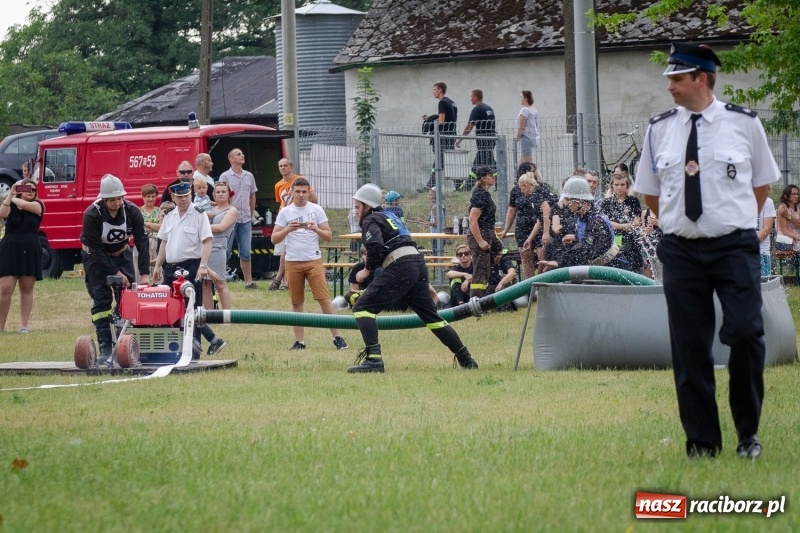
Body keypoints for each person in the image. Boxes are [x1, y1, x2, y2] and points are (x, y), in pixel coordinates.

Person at [634, 42, 780, 459]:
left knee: (748, 333)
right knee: (689, 346)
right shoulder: (660, 128)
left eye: (676, 79)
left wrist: (728, 223)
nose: (670, 87)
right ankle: (702, 442)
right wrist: (682, 224)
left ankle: (747, 433)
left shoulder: (744, 123)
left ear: (701, 78)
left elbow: (762, 186)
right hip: (681, 250)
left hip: (734, 247)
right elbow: (652, 193)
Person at [347, 183, 477, 373]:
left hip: (400, 266)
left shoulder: (371, 219)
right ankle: (467, 359)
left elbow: (374, 245)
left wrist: (366, 270)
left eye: (357, 207)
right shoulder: (390, 216)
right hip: (416, 263)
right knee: (433, 318)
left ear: (367, 206)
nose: (356, 212)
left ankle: (374, 360)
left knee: (362, 307)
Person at [80, 175, 150, 364]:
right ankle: (105, 345)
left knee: (127, 298)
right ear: (103, 199)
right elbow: (96, 250)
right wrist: (116, 273)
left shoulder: (132, 211)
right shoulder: (91, 215)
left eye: (120, 198)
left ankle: (126, 343)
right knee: (101, 300)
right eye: (112, 199)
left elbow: (142, 242)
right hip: (95, 258)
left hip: (121, 253)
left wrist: (144, 273)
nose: (117, 203)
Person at [271, 177, 347, 351]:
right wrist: (288, 229)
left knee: (324, 299)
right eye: (297, 192)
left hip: (313, 260)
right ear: (291, 192)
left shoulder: (317, 209)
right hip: (292, 261)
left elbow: (328, 235)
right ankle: (300, 341)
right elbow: (274, 238)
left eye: (304, 192)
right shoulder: (285, 212)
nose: (301, 195)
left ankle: (337, 337)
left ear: (309, 192)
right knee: (297, 302)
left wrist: (316, 228)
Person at [153, 181, 226, 358]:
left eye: (186, 196)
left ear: (190, 196)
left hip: (191, 267)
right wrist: (157, 265)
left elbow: (208, 241)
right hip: (171, 268)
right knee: (171, 307)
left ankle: (194, 352)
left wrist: (203, 266)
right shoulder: (170, 215)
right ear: (173, 198)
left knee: (192, 308)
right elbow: (164, 241)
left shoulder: (199, 215)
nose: (184, 200)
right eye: (180, 197)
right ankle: (209, 341)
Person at [537, 177, 627, 272]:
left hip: (613, 270)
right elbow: (588, 238)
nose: (567, 204)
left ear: (580, 200)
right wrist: (576, 237)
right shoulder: (582, 217)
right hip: (599, 269)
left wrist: (560, 262)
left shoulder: (596, 221)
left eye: (568, 199)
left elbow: (585, 249)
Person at [0, 179, 44, 333]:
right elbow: (2, 213)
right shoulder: (11, 203)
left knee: (26, 288)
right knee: (5, 288)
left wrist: (12, 196)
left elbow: (26, 206)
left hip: (30, 248)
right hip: (10, 248)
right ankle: (1, 327)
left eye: (33, 189)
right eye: (26, 188)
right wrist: (10, 194)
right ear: (19, 189)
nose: (30, 191)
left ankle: (24, 326)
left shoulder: (39, 205)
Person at [271, 158, 318, 291]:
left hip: (299, 218)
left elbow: (314, 199)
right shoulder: (278, 185)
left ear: (291, 167)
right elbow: (281, 203)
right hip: (285, 219)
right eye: (280, 166)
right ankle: (284, 280)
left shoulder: (300, 181)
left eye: (285, 165)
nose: (283, 168)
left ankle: (280, 280)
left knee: (287, 251)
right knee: (283, 252)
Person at [219, 148, 259, 289]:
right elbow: (221, 196)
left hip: (245, 219)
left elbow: (252, 195)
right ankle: (221, 280)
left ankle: (248, 282)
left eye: (242, 153)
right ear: (231, 159)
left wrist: (251, 212)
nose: (242, 156)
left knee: (246, 251)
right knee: (225, 250)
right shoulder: (225, 176)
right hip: (230, 219)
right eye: (239, 154)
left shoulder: (249, 176)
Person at [467, 166, 503, 297]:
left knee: (497, 250)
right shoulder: (480, 195)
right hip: (480, 233)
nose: (494, 177)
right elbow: (472, 219)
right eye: (490, 175)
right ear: (483, 178)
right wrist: (480, 241)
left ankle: (490, 290)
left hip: (488, 232)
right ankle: (476, 300)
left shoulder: (485, 193)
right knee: (480, 268)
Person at [203, 182, 238, 310]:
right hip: (205, 246)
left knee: (220, 283)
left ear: (229, 194)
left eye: (223, 191)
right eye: (217, 192)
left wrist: (201, 227)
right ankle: (210, 315)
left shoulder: (232, 210)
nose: (220, 194)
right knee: (205, 284)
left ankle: (227, 315)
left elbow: (222, 227)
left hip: (218, 247)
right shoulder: (211, 209)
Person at [601, 171, 643, 272]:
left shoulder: (633, 201)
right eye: (616, 184)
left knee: (633, 269)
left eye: (622, 184)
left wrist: (619, 225)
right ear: (612, 186)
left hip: (631, 241)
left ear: (627, 185)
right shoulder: (606, 203)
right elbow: (608, 223)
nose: (619, 187)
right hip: (612, 241)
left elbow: (637, 222)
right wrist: (626, 226)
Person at [503, 169, 539, 279]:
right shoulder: (516, 191)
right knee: (525, 257)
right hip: (522, 227)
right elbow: (511, 211)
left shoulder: (539, 191)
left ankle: (542, 284)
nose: (521, 189)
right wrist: (506, 229)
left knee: (542, 256)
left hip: (537, 225)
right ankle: (530, 285)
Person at [455, 89, 496, 185]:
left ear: (476, 97)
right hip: (491, 139)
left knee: (479, 163)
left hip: (483, 141)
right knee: (490, 162)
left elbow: (469, 126)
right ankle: (499, 182)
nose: (470, 99)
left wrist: (460, 140)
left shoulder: (477, 109)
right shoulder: (489, 108)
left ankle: (469, 185)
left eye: (471, 97)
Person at [423, 81, 457, 188]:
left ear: (440, 90)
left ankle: (431, 184)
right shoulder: (451, 102)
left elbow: (441, 121)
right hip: (451, 133)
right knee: (448, 159)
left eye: (434, 89)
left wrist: (431, 120)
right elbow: (449, 118)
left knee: (440, 159)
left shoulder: (442, 102)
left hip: (444, 135)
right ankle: (458, 182)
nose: (433, 92)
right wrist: (431, 118)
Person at [515, 90, 540, 164]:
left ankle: (538, 176)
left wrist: (516, 139)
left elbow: (521, 127)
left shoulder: (525, 110)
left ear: (525, 99)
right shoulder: (533, 109)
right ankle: (519, 175)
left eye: (521, 97)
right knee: (521, 163)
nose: (520, 99)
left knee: (528, 164)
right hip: (533, 137)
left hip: (526, 138)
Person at [140, 184, 161, 267]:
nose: (151, 199)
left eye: (153, 196)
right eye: (148, 196)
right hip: (142, 245)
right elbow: (138, 229)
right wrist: (155, 226)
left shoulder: (160, 211)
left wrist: (145, 223)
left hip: (157, 245)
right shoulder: (137, 212)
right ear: (143, 197)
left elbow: (162, 227)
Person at [775, 184, 800, 251]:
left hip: (796, 239)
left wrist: (788, 216)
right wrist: (797, 236)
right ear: (786, 196)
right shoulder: (783, 208)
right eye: (794, 194)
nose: (796, 196)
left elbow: (799, 223)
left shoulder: (797, 208)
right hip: (785, 239)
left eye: (797, 194)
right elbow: (784, 230)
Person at [756, 197, 776, 277]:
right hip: (738, 252)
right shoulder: (738, 200)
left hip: (761, 251)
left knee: (764, 285)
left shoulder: (767, 201)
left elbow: (767, 229)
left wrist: (748, 244)